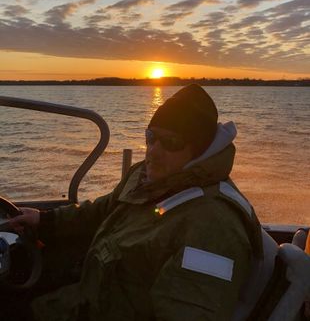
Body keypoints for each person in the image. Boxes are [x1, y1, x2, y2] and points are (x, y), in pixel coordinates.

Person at [9, 84, 263, 320]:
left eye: (171, 143)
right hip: (85, 293)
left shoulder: (213, 228)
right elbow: (106, 209)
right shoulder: (148, 176)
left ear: (197, 151)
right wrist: (46, 220)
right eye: (151, 137)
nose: (153, 151)